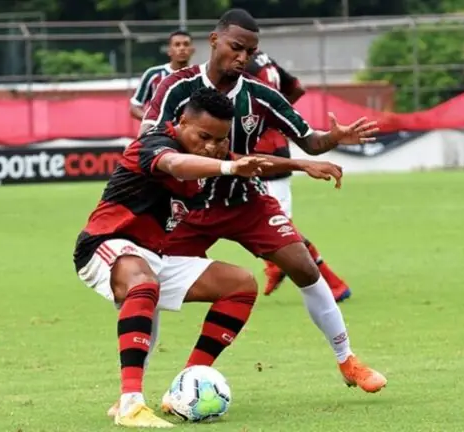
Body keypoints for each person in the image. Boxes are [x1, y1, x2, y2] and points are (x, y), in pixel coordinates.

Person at [140, 9, 387, 407]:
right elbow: (149, 141)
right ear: (214, 40)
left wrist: (334, 138)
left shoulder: (261, 95)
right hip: (185, 205)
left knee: (304, 267)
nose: (243, 57)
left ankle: (347, 360)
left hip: (246, 201)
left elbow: (310, 141)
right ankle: (133, 391)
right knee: (145, 283)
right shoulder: (176, 87)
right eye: (236, 47)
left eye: (251, 52)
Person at [75, 88, 343, 428]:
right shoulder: (155, 145)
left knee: (240, 285)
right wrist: (228, 166)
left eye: (219, 140)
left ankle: (183, 385)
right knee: (143, 283)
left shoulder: (210, 153)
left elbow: (251, 161)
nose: (211, 146)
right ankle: (129, 404)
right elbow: (176, 165)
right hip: (106, 244)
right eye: (204, 137)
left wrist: (302, 164)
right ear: (182, 121)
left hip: (153, 255)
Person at [246, 50, 352, 302]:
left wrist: (269, 118)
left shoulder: (241, 65)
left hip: (263, 154)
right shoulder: (264, 59)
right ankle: (276, 265)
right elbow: (296, 89)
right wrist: (278, 116)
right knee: (265, 222)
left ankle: (332, 284)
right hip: (271, 149)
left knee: (280, 228)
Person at [129, 30, 195, 120]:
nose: (182, 48)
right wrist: (153, 121)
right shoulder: (153, 74)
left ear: (192, 50)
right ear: (169, 51)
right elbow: (135, 107)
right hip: (160, 128)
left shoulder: (199, 75)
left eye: (186, 44)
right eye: (177, 45)